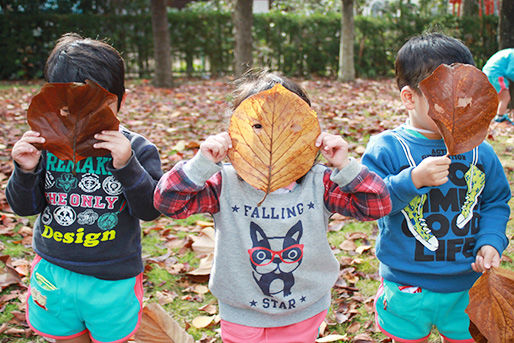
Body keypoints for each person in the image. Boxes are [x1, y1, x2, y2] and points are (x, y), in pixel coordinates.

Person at [154, 70, 392, 343]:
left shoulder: (320, 182)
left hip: (304, 309)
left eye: (291, 124)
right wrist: (201, 164)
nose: (273, 134)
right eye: (257, 125)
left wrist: (345, 166)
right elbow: (168, 203)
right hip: (240, 311)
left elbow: (378, 205)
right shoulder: (223, 182)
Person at [6, 33, 163, 343]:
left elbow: (150, 210)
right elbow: (24, 207)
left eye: (95, 106)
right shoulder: (44, 146)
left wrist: (127, 165)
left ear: (121, 100)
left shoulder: (137, 150)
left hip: (112, 278)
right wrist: (26, 170)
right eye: (68, 107)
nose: (81, 117)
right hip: (54, 272)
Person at [361, 33, 511, 343]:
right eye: (441, 96)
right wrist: (412, 180)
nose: (454, 104)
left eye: (461, 93)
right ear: (409, 97)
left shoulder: (479, 151)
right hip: (406, 285)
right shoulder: (388, 148)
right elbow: (368, 201)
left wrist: (491, 241)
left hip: (467, 284)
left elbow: (496, 200)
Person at [482, 48, 514, 124]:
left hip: (488, 72)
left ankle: (495, 116)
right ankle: (500, 118)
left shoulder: (509, 52)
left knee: (498, 98)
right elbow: (510, 72)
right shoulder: (512, 55)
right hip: (495, 74)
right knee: (505, 97)